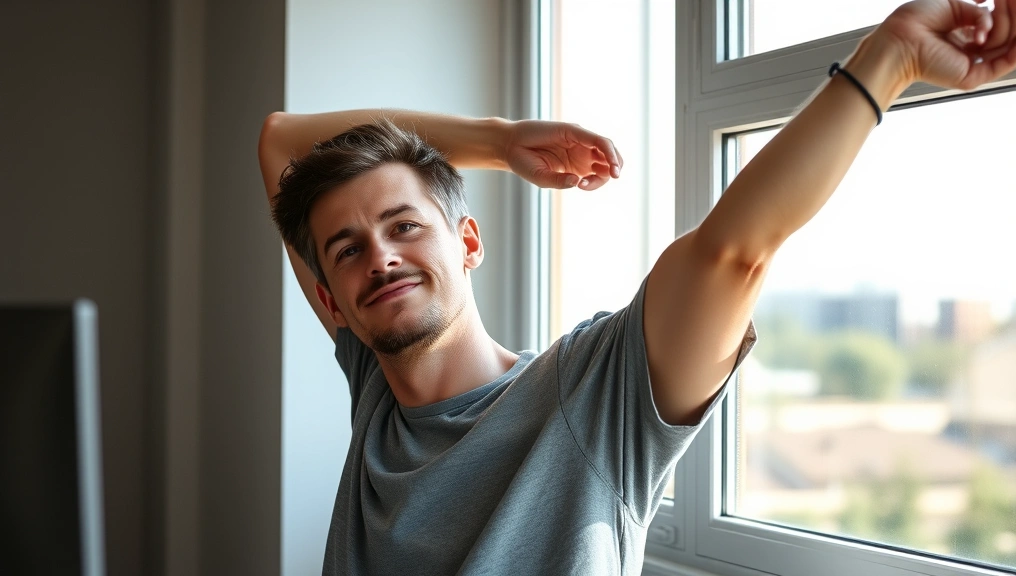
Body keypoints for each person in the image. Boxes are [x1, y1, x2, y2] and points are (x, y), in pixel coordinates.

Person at [258, 1, 1016, 573]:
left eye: (405, 226)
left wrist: (893, 56)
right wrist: (498, 139)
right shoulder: (374, 385)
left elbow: (734, 251)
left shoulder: (592, 395)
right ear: (330, 301)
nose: (381, 258)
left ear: (468, 243)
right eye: (348, 249)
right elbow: (283, 140)